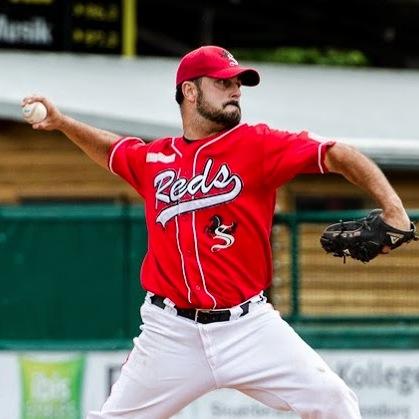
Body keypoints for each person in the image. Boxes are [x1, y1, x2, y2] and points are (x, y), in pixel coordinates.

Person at [22, 45, 411, 419]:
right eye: (223, 82)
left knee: (333, 400)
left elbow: (338, 154)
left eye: (238, 83)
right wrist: (61, 122)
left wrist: (394, 208)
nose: (235, 89)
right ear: (189, 91)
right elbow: (113, 150)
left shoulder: (257, 145)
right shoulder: (155, 159)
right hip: (170, 333)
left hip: (248, 327)